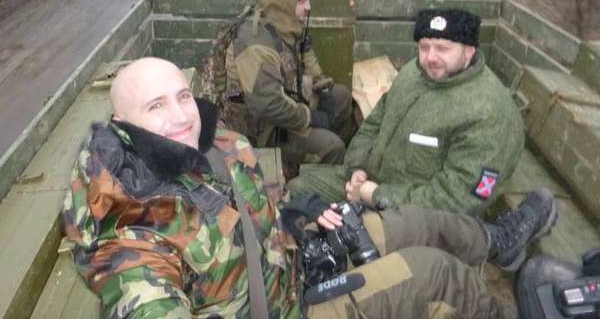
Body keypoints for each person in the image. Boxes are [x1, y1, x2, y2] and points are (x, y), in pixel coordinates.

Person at [62, 57, 555, 318]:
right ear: (122, 124)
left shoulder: (215, 146)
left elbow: (255, 213)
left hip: (293, 261)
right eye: (156, 106)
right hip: (290, 308)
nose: (180, 116)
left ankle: (496, 243)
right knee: (434, 274)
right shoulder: (129, 233)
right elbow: (145, 300)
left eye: (183, 96)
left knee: (418, 222)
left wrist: (297, 216)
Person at [288, 7, 525, 215]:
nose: (430, 58)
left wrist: (377, 195)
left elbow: (457, 200)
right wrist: (357, 167)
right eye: (424, 47)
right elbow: (375, 122)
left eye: (443, 49)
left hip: (418, 215)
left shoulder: (487, 114)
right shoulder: (414, 72)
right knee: (295, 191)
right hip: (370, 181)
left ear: (469, 51)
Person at [220, 0, 352, 174]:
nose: (309, 7)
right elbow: (268, 106)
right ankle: (309, 184)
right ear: (282, 3)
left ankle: (322, 159)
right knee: (332, 147)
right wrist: (309, 118)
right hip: (264, 131)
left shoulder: (284, 24)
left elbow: (304, 53)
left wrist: (321, 84)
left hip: (288, 102)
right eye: (302, 1)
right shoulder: (258, 47)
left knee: (341, 96)